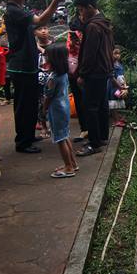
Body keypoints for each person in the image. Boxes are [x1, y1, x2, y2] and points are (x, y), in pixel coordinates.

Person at [0, 0, 71, 153]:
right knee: (24, 104)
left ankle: (28, 135)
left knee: (30, 103)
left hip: (27, 64)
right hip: (21, 66)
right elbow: (40, 21)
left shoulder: (19, 9)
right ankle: (23, 142)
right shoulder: (13, 11)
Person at [74, 0, 114, 156]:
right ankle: (102, 136)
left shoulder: (93, 27)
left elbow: (90, 54)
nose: (81, 14)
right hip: (104, 70)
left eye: (82, 10)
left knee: (90, 107)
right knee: (101, 104)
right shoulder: (104, 23)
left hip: (94, 72)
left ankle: (94, 143)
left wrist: (82, 74)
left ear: (90, 7)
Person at [43, 43, 78, 178]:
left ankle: (68, 167)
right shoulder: (63, 74)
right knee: (65, 135)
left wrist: (44, 109)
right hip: (64, 107)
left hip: (56, 109)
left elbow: (48, 96)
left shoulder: (53, 78)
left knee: (60, 138)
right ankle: (72, 163)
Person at [67, 29, 88, 141]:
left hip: (83, 74)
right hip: (72, 75)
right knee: (79, 102)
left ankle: (90, 129)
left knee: (87, 101)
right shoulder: (70, 36)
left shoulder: (87, 33)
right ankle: (84, 129)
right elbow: (68, 50)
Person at [35, 24, 53, 139]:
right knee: (41, 104)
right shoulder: (32, 46)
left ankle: (53, 125)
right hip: (38, 79)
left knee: (53, 102)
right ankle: (44, 126)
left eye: (45, 28)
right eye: (40, 29)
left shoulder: (54, 44)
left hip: (52, 79)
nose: (43, 31)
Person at [108, 47, 128, 127]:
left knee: (119, 99)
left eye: (118, 53)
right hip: (113, 86)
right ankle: (115, 120)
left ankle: (118, 117)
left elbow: (122, 75)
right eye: (115, 53)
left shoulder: (119, 64)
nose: (117, 55)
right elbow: (111, 77)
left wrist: (124, 85)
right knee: (113, 102)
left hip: (120, 84)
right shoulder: (111, 65)